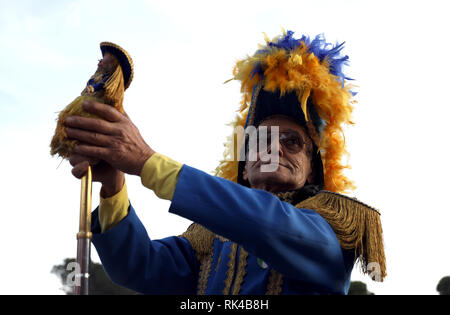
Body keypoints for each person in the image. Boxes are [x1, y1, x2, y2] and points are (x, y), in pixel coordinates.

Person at [65, 31, 386, 294]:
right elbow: (137, 268)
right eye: (261, 140)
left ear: (312, 168)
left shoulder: (328, 226)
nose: (275, 147)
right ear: (245, 166)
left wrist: (147, 162)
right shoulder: (209, 238)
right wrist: (114, 183)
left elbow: (271, 224)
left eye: (292, 141)